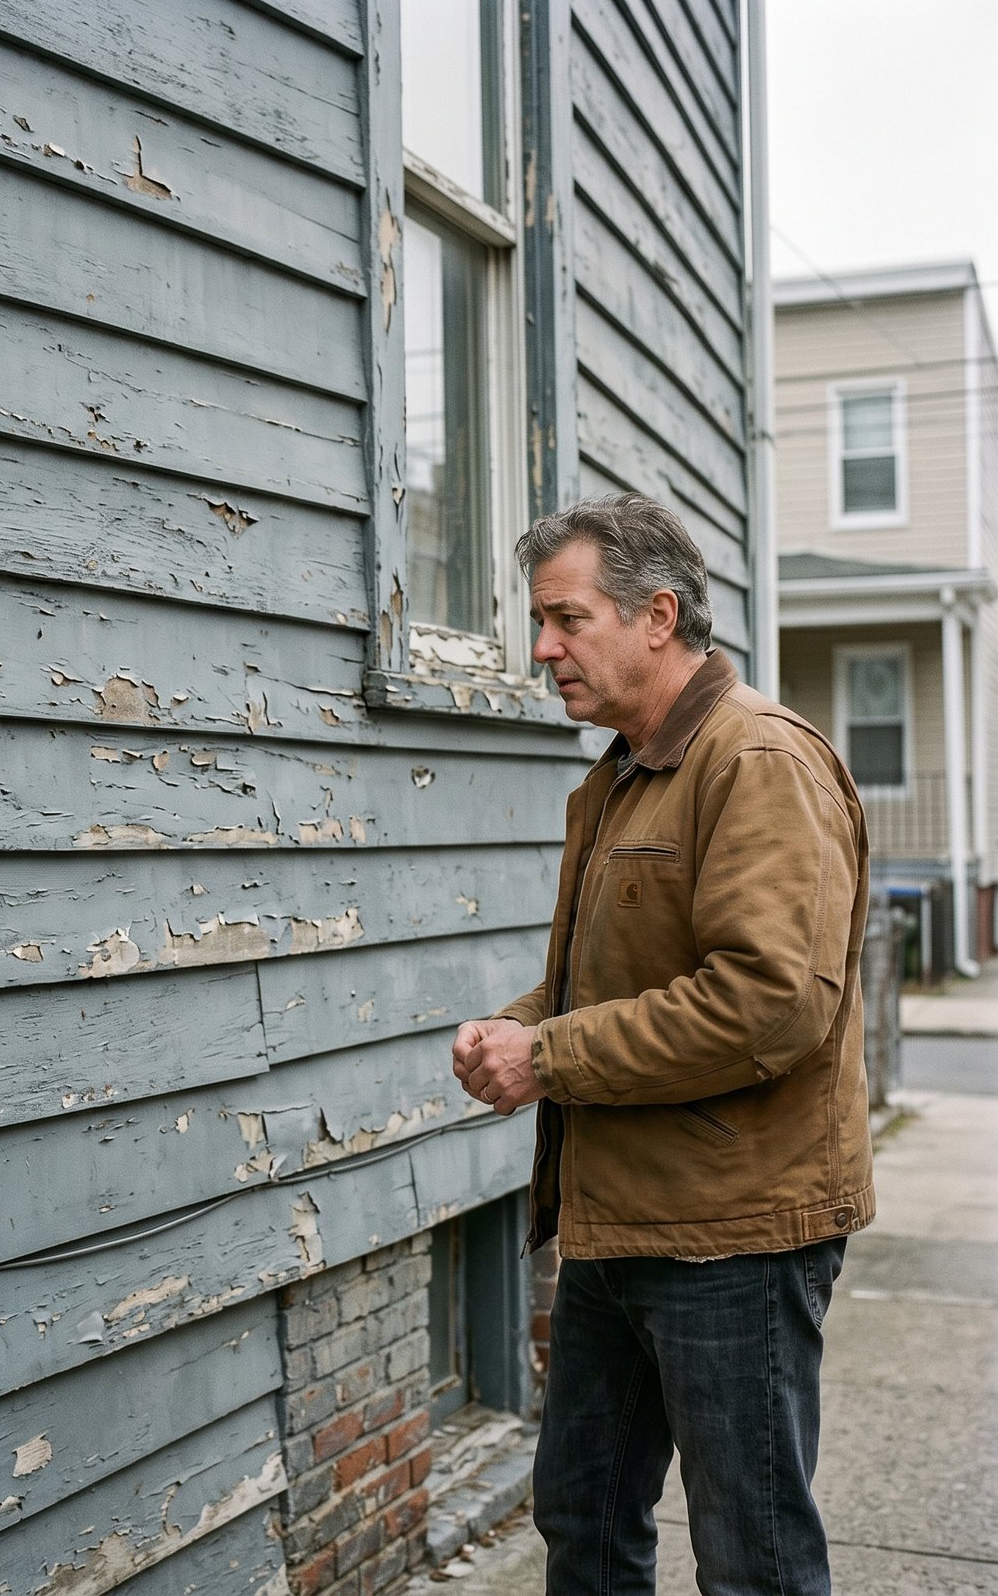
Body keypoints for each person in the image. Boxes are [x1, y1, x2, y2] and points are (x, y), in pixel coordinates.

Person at [452, 495, 873, 1595]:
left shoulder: (756, 762)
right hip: (618, 1222)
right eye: (538, 621)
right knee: (583, 1517)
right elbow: (628, 974)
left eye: (565, 618)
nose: (542, 646)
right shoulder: (623, 772)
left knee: (753, 1555)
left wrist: (548, 1058)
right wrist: (523, 1025)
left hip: (735, 1232)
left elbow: (768, 1002)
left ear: (657, 614)